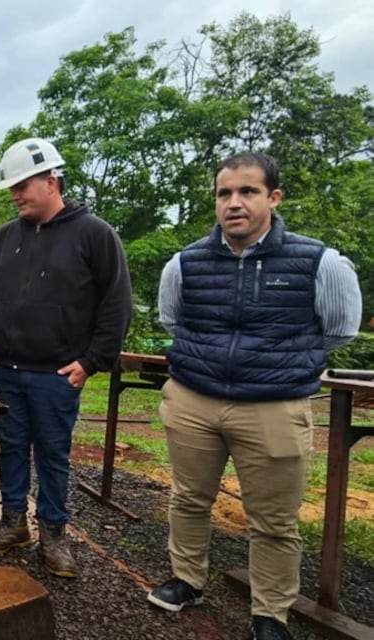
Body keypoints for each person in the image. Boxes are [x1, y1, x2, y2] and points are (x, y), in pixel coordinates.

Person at [147, 152, 362, 640]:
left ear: (273, 197)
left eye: (248, 191)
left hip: (273, 406)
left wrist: (277, 363)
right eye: (224, 193)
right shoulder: (185, 263)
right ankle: (187, 580)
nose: (234, 203)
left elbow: (339, 329)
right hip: (194, 400)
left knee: (274, 520)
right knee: (188, 498)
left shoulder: (319, 262)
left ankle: (270, 613)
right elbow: (173, 320)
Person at [0, 137, 133, 577]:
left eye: (22, 186)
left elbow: (116, 303)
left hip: (56, 374)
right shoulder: (3, 239)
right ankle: (12, 525)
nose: (15, 195)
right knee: (11, 448)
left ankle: (54, 536)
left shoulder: (94, 234)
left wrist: (93, 360)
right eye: (12, 188)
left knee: (53, 454)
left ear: (51, 181)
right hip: (6, 371)